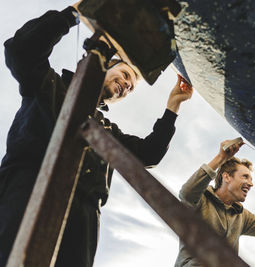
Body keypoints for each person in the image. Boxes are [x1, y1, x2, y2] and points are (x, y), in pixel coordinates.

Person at [0, 4, 193, 267]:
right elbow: (21, 50)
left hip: (84, 215)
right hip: (29, 187)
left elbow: (150, 153)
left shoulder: (107, 131)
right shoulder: (49, 85)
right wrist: (74, 14)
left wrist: (174, 105)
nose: (127, 85)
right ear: (106, 65)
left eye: (131, 88)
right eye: (125, 75)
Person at [175, 140, 255, 267]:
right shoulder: (200, 200)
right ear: (226, 177)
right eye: (245, 177)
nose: (251, 184)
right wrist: (221, 157)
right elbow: (186, 194)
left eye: (251, 179)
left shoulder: (242, 217)